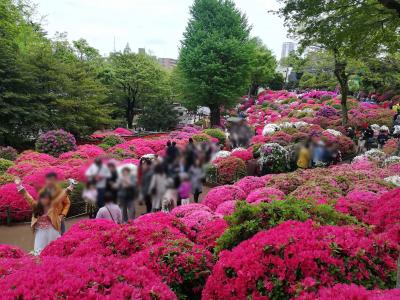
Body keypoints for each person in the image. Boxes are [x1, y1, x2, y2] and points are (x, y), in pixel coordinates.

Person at [16, 177, 75, 254]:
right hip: (40, 232)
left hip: (52, 230)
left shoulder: (53, 205)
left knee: (55, 249)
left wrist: (70, 187)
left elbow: (63, 196)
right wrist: (19, 186)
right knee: (39, 251)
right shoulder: (36, 205)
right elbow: (27, 197)